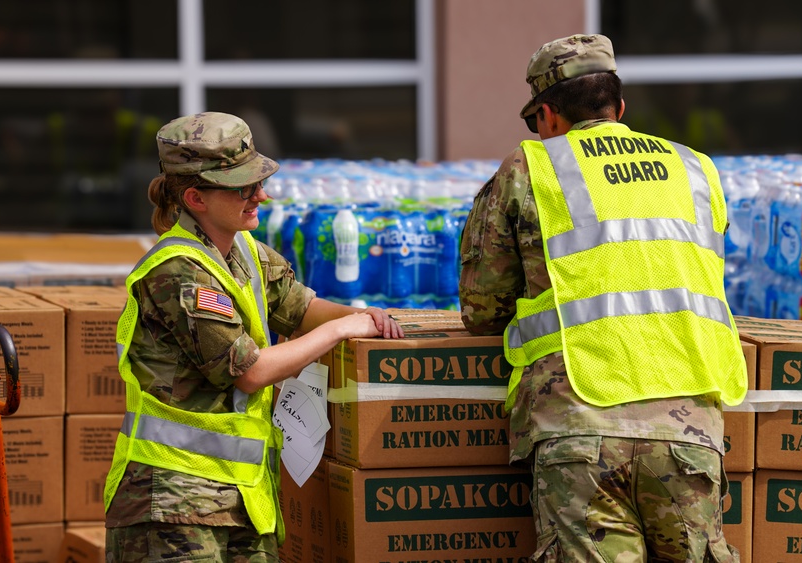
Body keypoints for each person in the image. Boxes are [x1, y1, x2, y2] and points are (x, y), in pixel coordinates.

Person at [458, 35, 747, 562]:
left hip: (578, 430)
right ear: (619, 107)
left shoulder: (528, 170)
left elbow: (482, 310)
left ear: (547, 114)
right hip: (689, 432)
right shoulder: (696, 169)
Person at [103, 111, 404, 561]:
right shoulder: (177, 272)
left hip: (240, 500)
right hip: (171, 505)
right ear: (195, 198)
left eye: (259, 181)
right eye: (244, 187)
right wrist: (345, 328)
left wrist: (375, 319)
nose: (261, 195)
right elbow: (250, 371)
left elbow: (301, 309)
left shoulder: (244, 250)